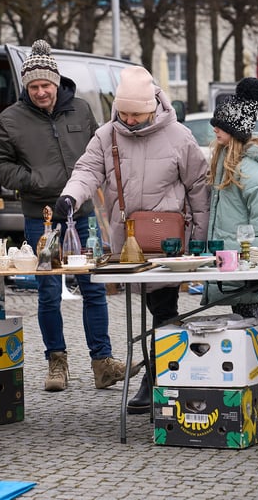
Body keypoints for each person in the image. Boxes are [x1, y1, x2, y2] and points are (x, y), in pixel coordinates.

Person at [0, 40, 139, 392]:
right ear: (26, 86)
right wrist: (32, 180)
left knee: (94, 288)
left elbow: (103, 151)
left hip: (82, 215)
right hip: (42, 219)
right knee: (49, 291)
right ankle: (57, 362)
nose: (41, 92)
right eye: (34, 86)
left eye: (46, 85)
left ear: (56, 82)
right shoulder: (10, 120)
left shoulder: (81, 111)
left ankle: (102, 362)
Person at [54, 65, 210, 414]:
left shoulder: (180, 136)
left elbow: (199, 189)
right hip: (125, 243)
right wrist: (70, 196)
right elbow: (87, 170)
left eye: (136, 114)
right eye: (124, 113)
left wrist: (199, 243)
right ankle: (159, 372)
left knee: (163, 309)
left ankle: (157, 377)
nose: (130, 120)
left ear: (153, 105)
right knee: (145, 312)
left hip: (169, 244)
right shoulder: (107, 135)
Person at [203, 77, 258, 317]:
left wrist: (257, 271)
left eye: (220, 124)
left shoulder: (253, 170)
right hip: (233, 266)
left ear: (235, 129)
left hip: (246, 271)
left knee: (249, 331)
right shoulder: (226, 162)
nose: (214, 128)